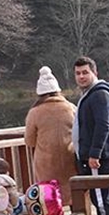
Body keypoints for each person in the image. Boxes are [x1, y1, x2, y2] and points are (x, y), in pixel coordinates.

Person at [73, 56, 109, 215]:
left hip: (96, 158)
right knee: (103, 197)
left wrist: (94, 154)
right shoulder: (90, 94)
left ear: (95, 72)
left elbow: (104, 126)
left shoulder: (100, 95)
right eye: (78, 73)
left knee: (100, 198)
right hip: (92, 155)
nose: (81, 76)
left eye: (85, 72)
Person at [24, 66, 78, 203]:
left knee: (49, 201)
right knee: (74, 196)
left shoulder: (35, 112)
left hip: (46, 164)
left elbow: (29, 141)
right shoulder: (71, 108)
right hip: (70, 159)